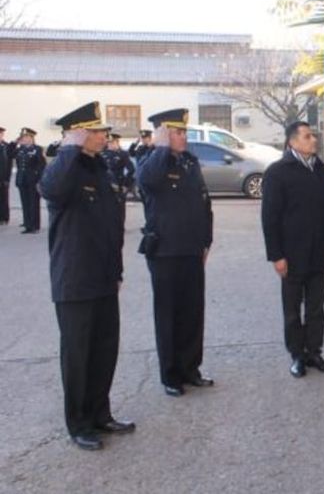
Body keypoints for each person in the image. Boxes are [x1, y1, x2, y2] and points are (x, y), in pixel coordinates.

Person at [39, 102, 134, 451]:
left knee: (104, 349)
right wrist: (67, 150)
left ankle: (100, 413)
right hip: (75, 278)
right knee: (78, 355)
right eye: (95, 131)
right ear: (77, 134)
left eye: (102, 131)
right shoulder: (64, 168)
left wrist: (117, 270)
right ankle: (79, 423)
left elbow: (111, 225)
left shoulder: (101, 166)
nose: (103, 136)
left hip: (104, 274)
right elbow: (51, 191)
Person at [137, 108, 214, 397]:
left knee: (193, 312)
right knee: (169, 314)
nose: (184, 137)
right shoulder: (150, 161)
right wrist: (160, 147)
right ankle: (170, 375)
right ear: (162, 133)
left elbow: (204, 204)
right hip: (165, 251)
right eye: (177, 132)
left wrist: (206, 241)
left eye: (184, 132)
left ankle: (190, 369)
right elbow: (147, 182)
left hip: (192, 249)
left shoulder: (189, 162)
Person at [262, 121, 324, 378]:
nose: (313, 140)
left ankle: (314, 351)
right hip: (292, 255)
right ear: (293, 142)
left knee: (316, 308)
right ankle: (297, 354)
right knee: (293, 310)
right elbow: (270, 217)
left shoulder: (322, 171)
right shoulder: (278, 172)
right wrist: (276, 255)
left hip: (319, 252)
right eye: (307, 137)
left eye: (313, 136)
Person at [15, 127, 46, 233]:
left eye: (26, 137)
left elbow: (41, 165)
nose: (24, 139)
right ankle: (27, 225)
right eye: (23, 137)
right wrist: (15, 142)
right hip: (22, 179)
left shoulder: (37, 149)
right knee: (25, 203)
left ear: (31, 138)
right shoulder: (20, 149)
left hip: (33, 180)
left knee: (33, 203)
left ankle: (34, 226)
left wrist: (40, 180)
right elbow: (10, 154)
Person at [102, 133, 135, 209]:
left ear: (117, 142)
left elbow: (131, 170)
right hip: (105, 186)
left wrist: (126, 185)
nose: (110, 145)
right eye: (109, 142)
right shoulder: (102, 153)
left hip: (118, 185)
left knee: (119, 209)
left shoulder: (123, 154)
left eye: (112, 142)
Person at [0, 126, 13, 225]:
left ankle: (4, 218)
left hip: (3, 176)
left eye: (1, 134)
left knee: (3, 198)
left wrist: (7, 178)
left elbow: (9, 164)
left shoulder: (6, 146)